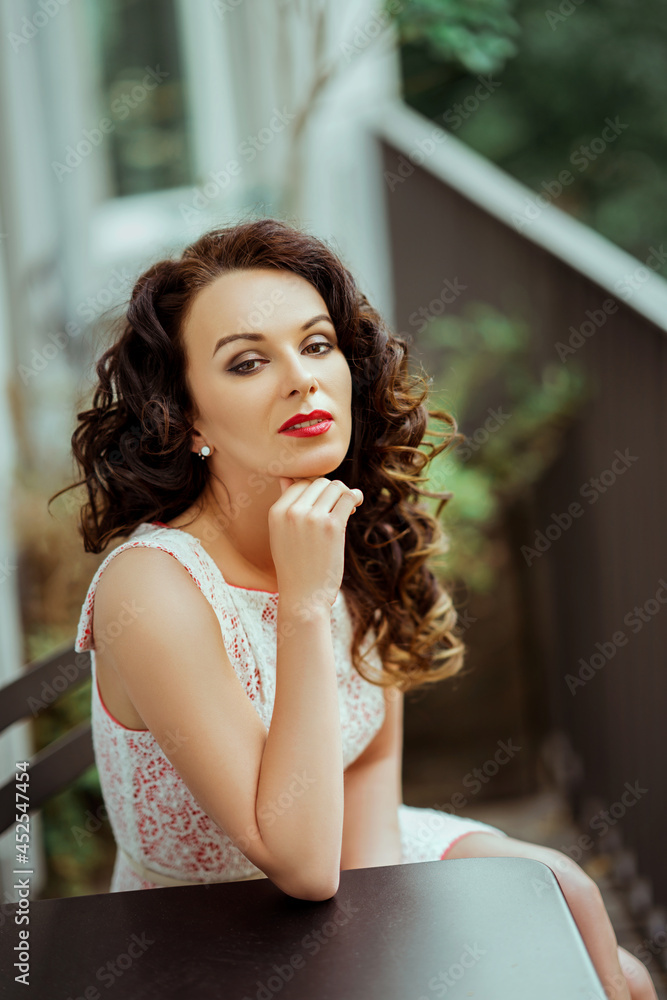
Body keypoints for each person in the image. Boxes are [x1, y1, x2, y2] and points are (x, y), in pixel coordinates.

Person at [53, 218, 655, 999]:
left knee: (578, 908)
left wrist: (384, 937)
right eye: (245, 362)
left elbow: (367, 771)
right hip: (202, 935)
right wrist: (303, 605)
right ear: (188, 416)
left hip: (346, 869)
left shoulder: (344, 524)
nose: (301, 380)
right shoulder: (154, 587)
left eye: (316, 344)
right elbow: (296, 863)